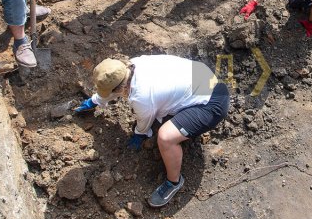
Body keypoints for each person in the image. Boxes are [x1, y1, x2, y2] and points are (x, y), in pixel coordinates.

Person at [74, 55, 230, 208]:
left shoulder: (142, 97)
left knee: (165, 137)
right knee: (161, 108)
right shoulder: (133, 65)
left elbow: (144, 124)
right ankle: (182, 116)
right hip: (201, 76)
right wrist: (95, 101)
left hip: (212, 103)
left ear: (121, 87)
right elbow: (117, 86)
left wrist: (139, 134)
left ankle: (174, 182)